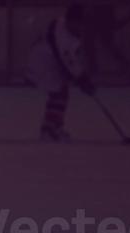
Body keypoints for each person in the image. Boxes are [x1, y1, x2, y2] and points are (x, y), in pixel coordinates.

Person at [26, 3, 95, 141]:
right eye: (77, 23)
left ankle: (52, 127)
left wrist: (81, 77)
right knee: (59, 93)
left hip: (49, 62)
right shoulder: (62, 35)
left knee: (61, 93)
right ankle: (49, 130)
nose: (79, 27)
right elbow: (67, 60)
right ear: (70, 20)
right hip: (43, 64)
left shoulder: (64, 26)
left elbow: (72, 59)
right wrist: (82, 78)